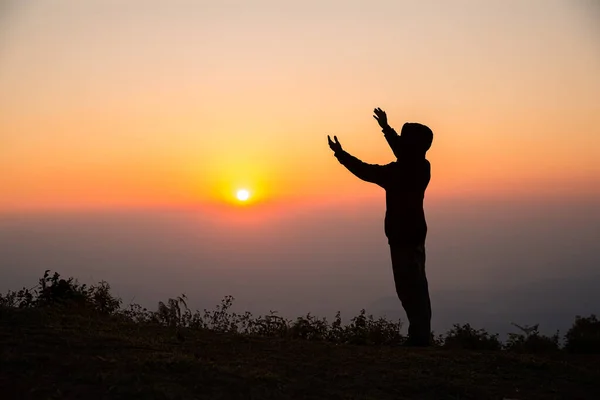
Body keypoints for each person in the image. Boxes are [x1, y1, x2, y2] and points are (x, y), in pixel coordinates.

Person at [327, 107, 434, 346]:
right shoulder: (422, 167)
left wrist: (341, 154)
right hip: (416, 236)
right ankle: (422, 337)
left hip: (402, 238)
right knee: (419, 288)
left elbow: (365, 170)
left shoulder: (397, 173)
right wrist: (386, 129)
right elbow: (403, 151)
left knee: (409, 290)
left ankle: (419, 341)